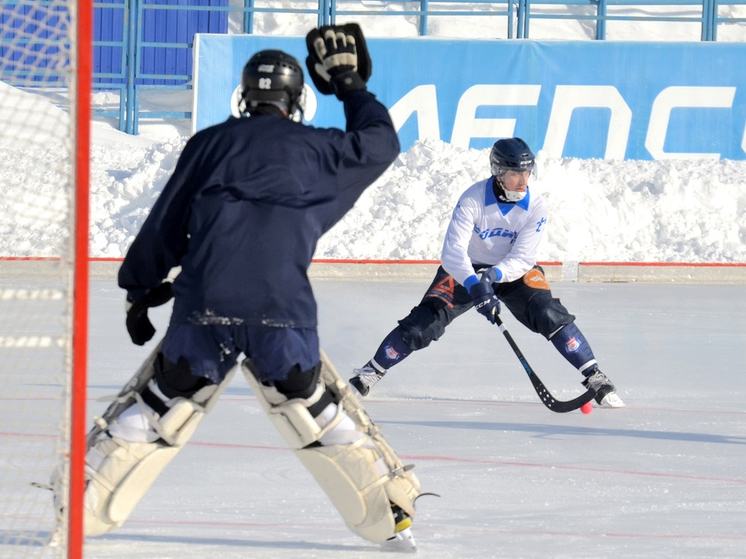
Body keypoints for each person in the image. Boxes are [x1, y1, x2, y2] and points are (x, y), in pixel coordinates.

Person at [74, 24, 421, 551]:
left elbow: (166, 222)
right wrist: (349, 83)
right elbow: (381, 142)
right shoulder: (318, 149)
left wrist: (140, 289)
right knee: (317, 412)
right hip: (282, 308)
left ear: (245, 94)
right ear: (297, 99)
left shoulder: (210, 143)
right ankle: (389, 519)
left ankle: (77, 509)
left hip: (204, 305)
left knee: (161, 404)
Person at [350, 137, 625, 409]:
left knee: (547, 312)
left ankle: (595, 377)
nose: (522, 180)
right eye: (515, 173)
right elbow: (452, 252)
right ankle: (371, 372)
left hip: (511, 271)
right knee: (424, 323)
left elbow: (523, 257)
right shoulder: (473, 198)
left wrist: (491, 278)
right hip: (465, 268)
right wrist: (474, 282)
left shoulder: (536, 205)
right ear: (498, 172)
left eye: (527, 172)